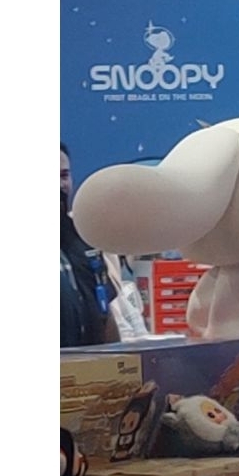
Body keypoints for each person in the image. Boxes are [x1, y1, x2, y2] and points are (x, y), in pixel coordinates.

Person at [60, 143, 149, 346]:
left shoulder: (84, 238)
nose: (60, 186)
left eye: (64, 176)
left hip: (89, 361)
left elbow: (105, 311)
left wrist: (113, 356)